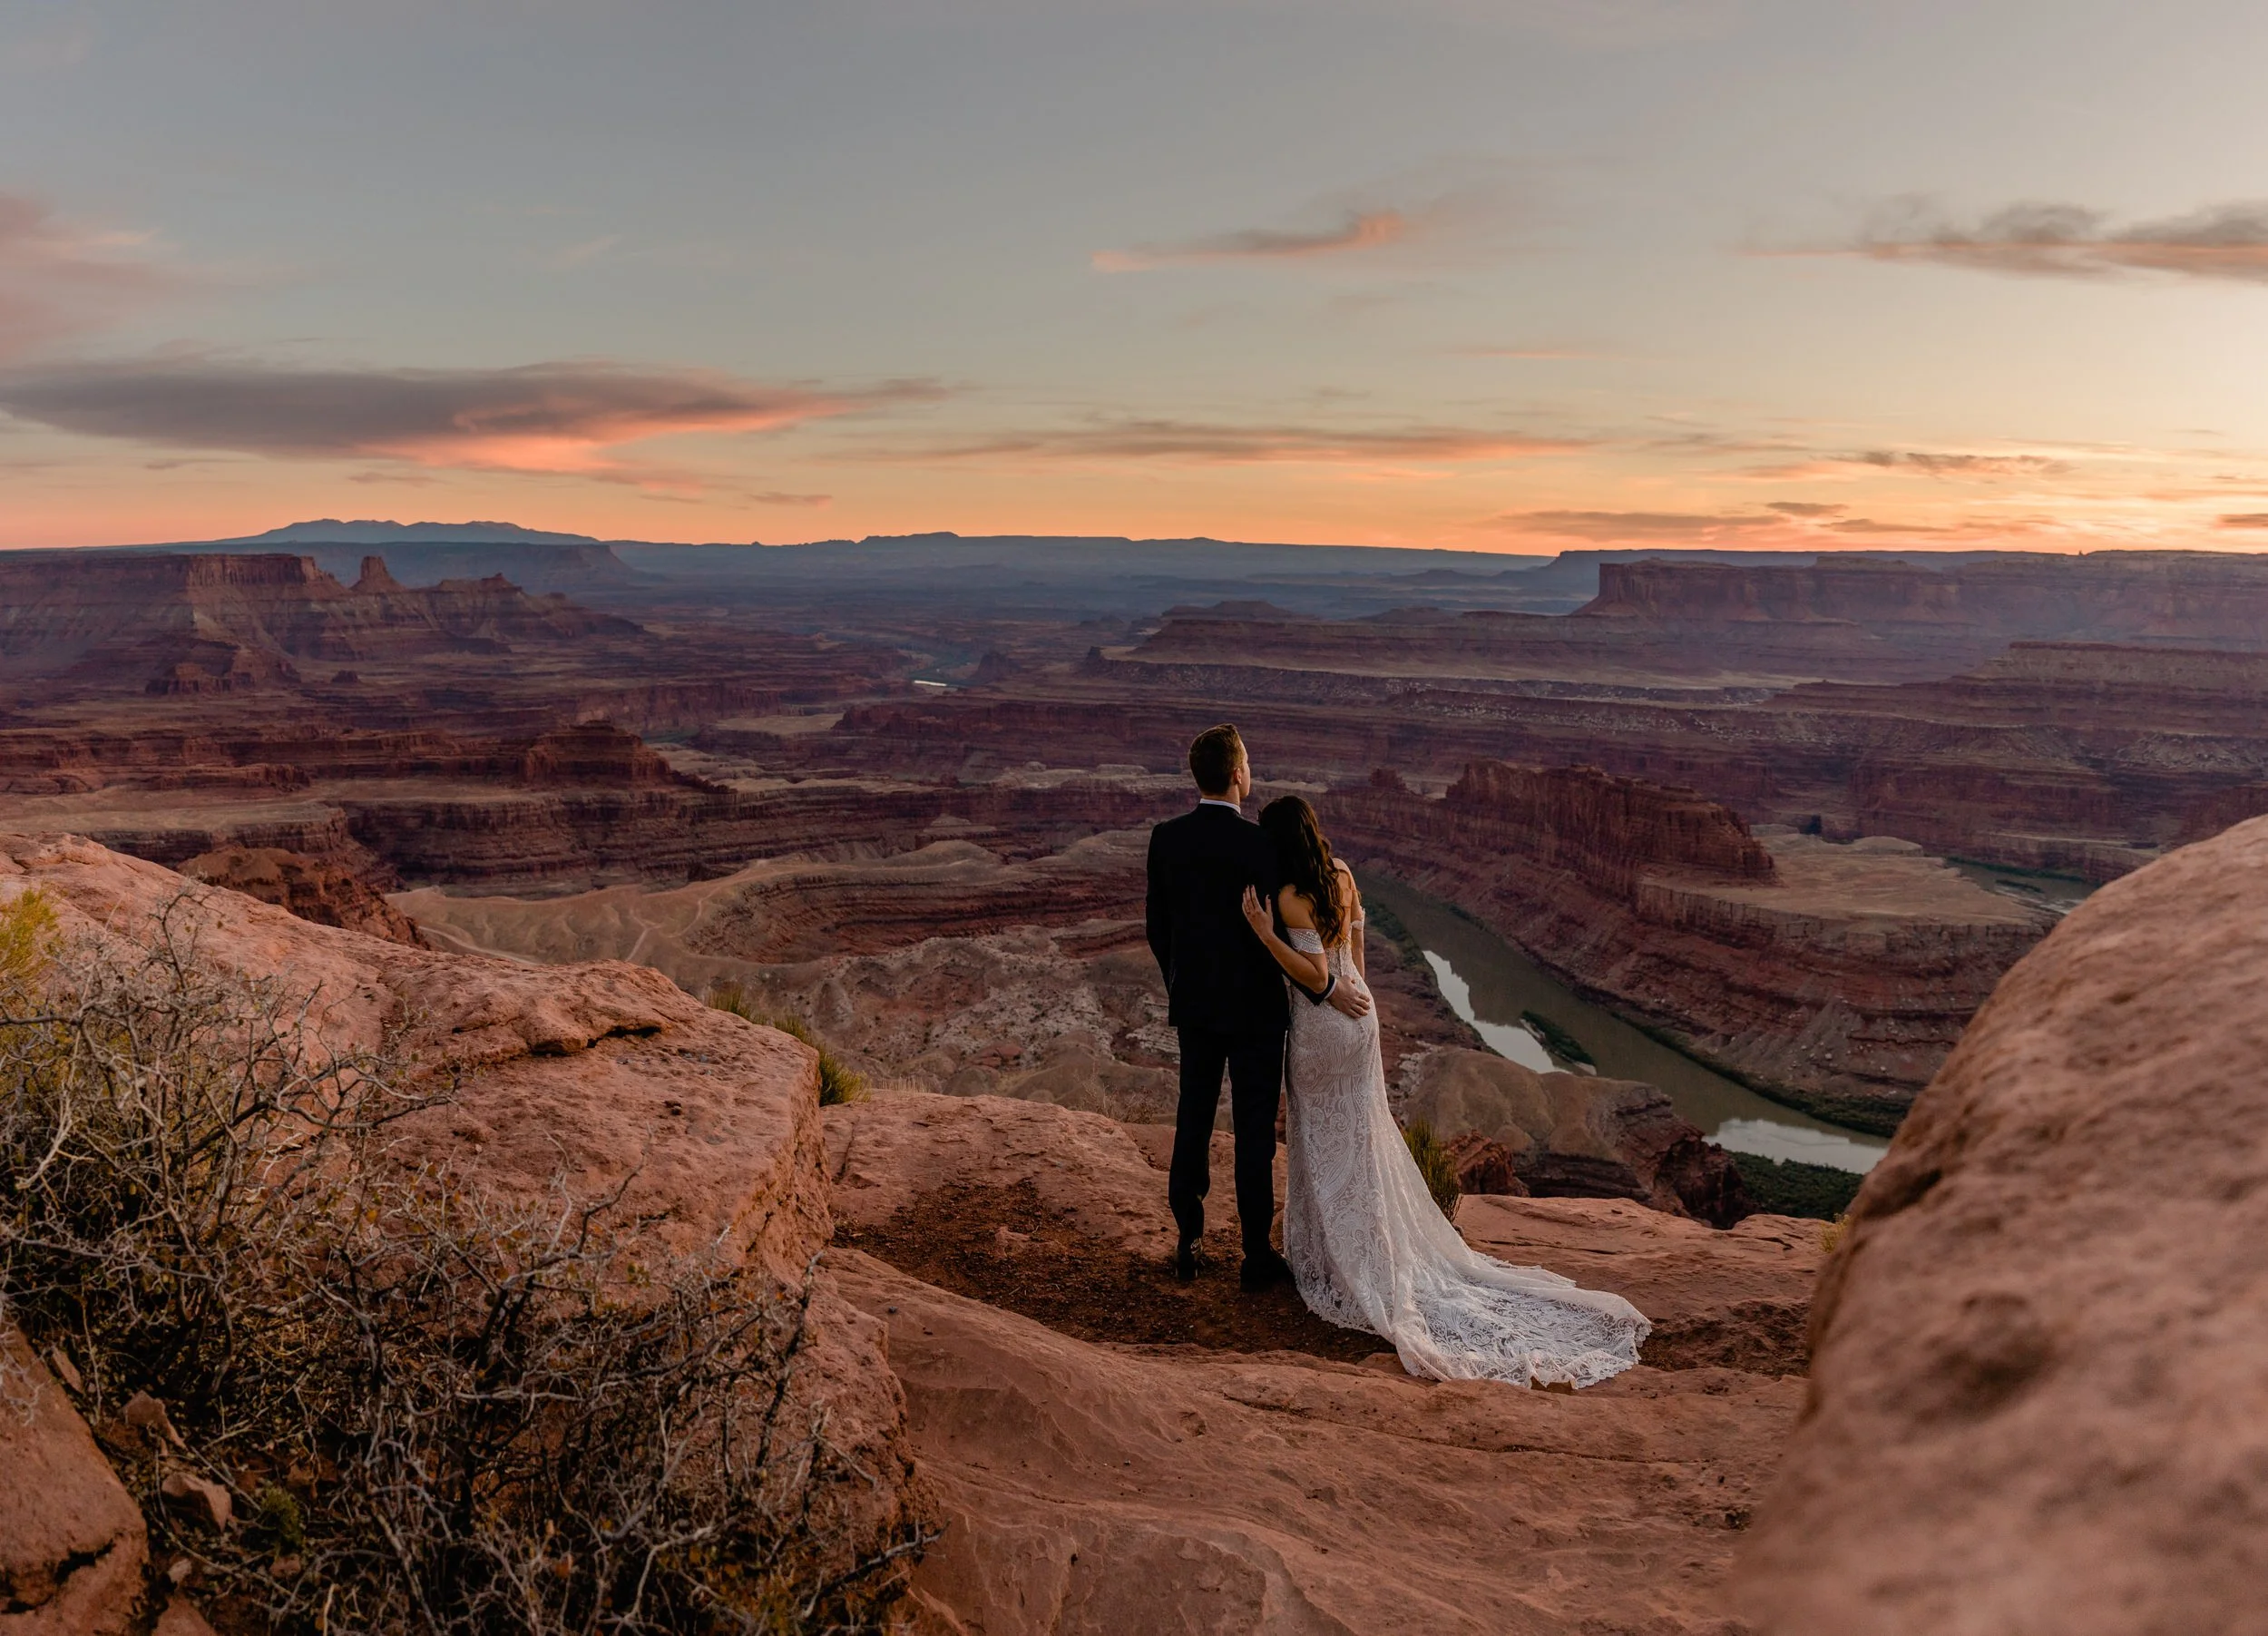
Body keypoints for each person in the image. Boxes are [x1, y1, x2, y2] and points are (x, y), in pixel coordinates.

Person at [1237, 794, 1649, 1387]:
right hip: (1362, 1016)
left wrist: (1264, 936)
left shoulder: (1289, 896)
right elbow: (1352, 958)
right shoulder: (1343, 876)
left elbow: (1316, 976)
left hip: (1322, 1026)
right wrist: (1363, 1005)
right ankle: (1376, 1244)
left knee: (1324, 1137)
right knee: (1364, 1134)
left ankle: (1341, 1260)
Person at [1145, 725, 1372, 1292]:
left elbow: (1158, 929)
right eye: (1248, 762)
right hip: (1257, 1018)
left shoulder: (1165, 838)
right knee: (1252, 1133)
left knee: (1192, 1121)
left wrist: (1182, 984)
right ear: (1238, 774)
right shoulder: (1261, 848)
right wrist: (1329, 986)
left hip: (1196, 1009)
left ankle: (1189, 1239)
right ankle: (1255, 1254)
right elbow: (1301, 931)